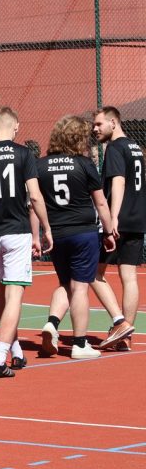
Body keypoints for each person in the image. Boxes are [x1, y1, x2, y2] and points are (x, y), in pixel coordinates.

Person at [0, 107, 52, 377]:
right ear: (16, 126)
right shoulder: (23, 154)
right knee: (14, 295)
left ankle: (15, 351)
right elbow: (35, 196)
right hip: (16, 231)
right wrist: (45, 229)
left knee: (2, 295)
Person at [36, 115, 117, 359]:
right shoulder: (84, 164)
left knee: (65, 283)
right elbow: (100, 202)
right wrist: (109, 231)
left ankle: (52, 322)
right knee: (80, 287)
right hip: (83, 232)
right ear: (78, 138)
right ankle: (80, 343)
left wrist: (39, 232)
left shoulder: (40, 166)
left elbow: (35, 202)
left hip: (56, 233)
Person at [92, 106, 144, 349]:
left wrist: (112, 218)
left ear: (113, 123)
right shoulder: (136, 147)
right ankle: (126, 336)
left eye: (99, 124)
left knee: (93, 272)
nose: (95, 129)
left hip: (119, 220)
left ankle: (120, 323)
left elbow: (119, 182)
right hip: (137, 218)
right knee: (129, 277)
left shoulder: (115, 147)